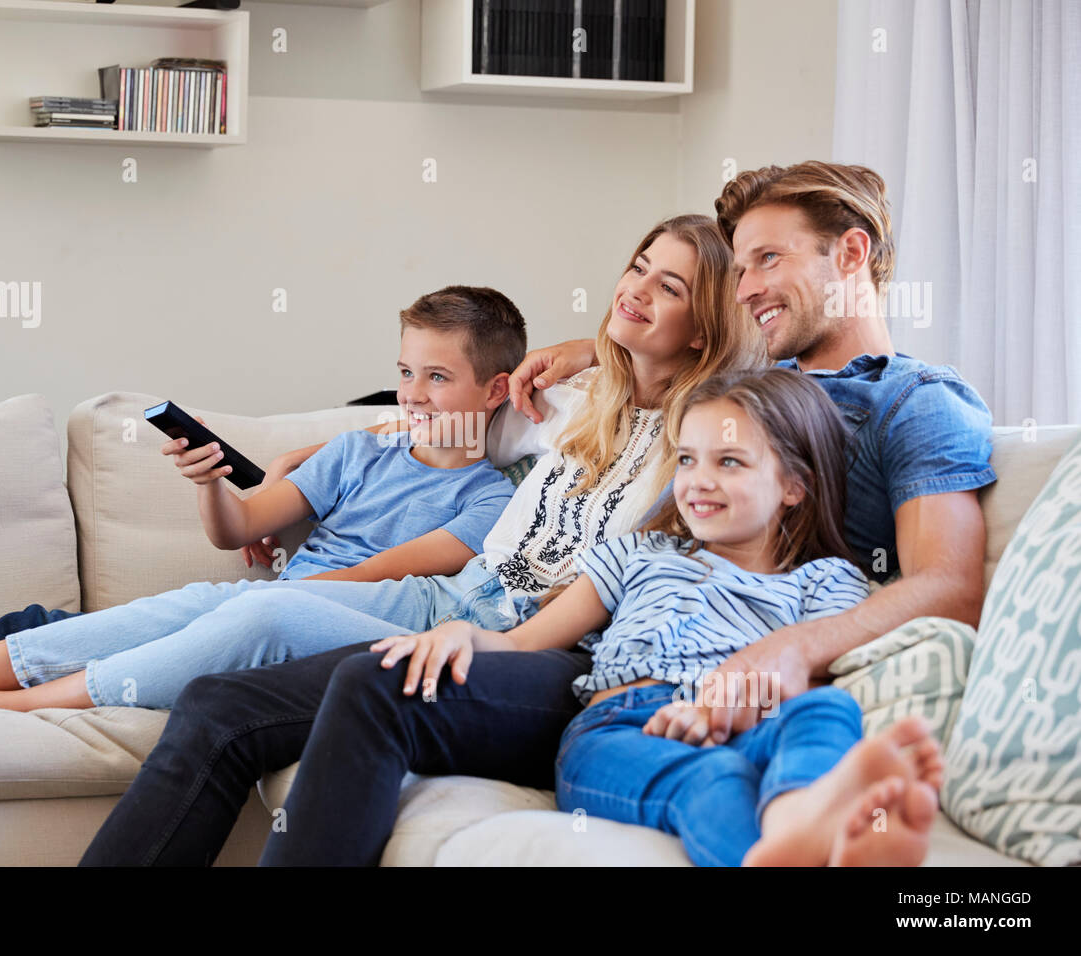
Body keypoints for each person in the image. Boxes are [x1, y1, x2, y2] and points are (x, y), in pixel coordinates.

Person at [79, 162, 995, 868]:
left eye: (770, 259)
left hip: (620, 664)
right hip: (593, 627)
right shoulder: (744, 387)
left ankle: (793, 826)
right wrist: (583, 350)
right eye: (743, 263)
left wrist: (792, 648)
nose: (752, 283)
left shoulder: (913, 401)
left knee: (367, 680)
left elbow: (949, 587)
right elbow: (632, 360)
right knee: (220, 703)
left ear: (851, 256)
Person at [77, 213, 763, 864]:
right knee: (218, 703)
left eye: (667, 288)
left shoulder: (711, 435)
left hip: (557, 648)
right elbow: (439, 420)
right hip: (461, 602)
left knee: (363, 676)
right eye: (637, 268)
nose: (636, 290)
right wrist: (303, 455)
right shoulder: (566, 402)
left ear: (703, 329)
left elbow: (771, 393)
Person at [0, 286, 525, 710]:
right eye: (405, 372)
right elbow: (238, 526)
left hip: (321, 619)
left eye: (437, 377)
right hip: (269, 605)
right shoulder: (360, 451)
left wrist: (260, 596)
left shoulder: (492, 499)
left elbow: (376, 575)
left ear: (494, 390)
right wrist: (209, 480)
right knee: (170, 608)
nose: (412, 394)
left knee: (221, 606)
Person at [377, 367, 942, 866]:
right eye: (688, 459)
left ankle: (801, 821)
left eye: (729, 462)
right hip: (622, 728)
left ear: (794, 485)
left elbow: (808, 676)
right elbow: (524, 644)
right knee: (715, 780)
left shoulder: (827, 579)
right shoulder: (637, 552)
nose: (699, 480)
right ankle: (769, 855)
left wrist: (717, 715)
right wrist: (462, 634)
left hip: (743, 724)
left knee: (826, 709)